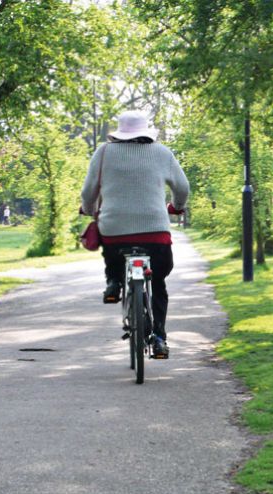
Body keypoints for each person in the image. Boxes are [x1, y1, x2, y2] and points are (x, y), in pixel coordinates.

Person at [80, 111, 189, 358]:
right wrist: (177, 207)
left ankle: (114, 282)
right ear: (146, 131)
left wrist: (88, 210)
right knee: (158, 281)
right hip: (155, 232)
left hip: (115, 230)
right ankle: (159, 338)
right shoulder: (162, 153)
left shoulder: (104, 153)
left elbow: (89, 192)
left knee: (113, 251)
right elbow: (182, 187)